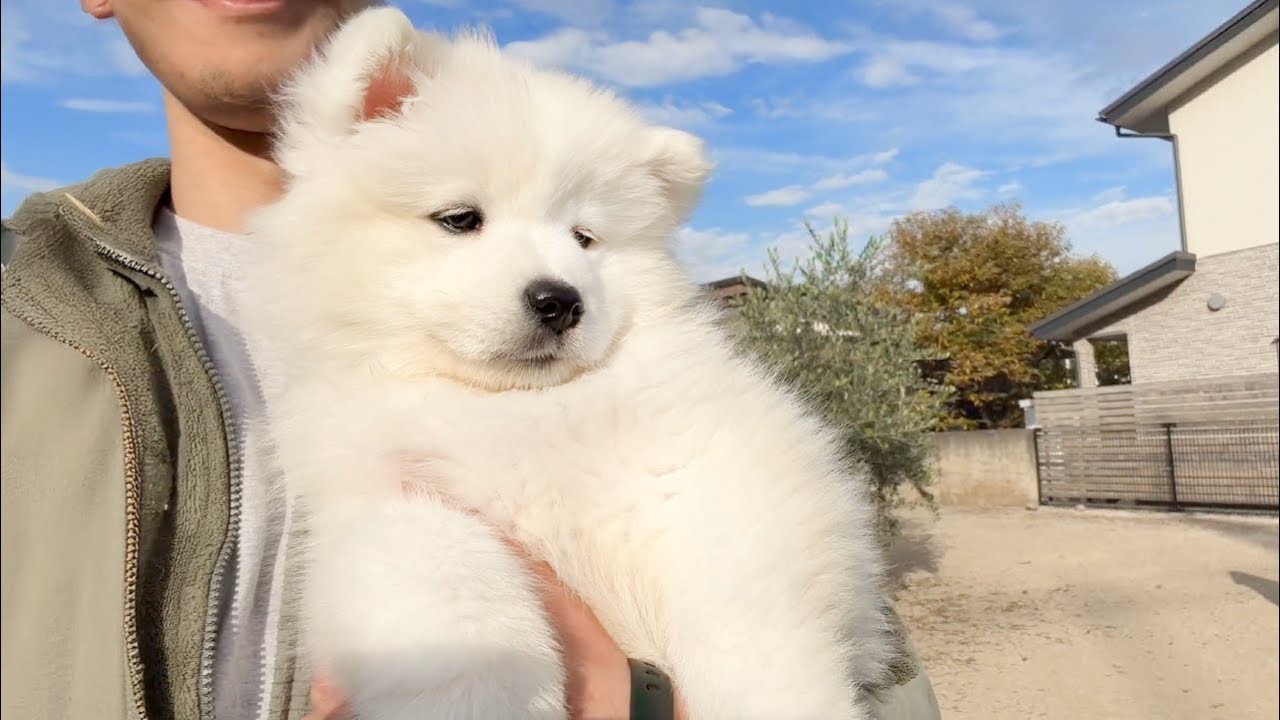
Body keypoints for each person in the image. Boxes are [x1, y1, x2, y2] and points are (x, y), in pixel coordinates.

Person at [0, 1, 942, 718]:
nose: (552, 282)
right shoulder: (28, 314)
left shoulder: (656, 384)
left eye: (584, 236)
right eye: (461, 220)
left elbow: (764, 587)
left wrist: (645, 701)